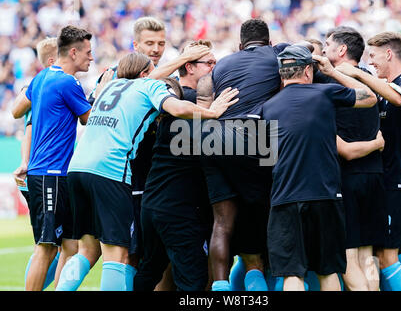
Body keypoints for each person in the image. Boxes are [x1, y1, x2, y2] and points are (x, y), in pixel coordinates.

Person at [56, 52, 238, 291]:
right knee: (117, 254)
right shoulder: (149, 86)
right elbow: (177, 106)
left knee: (87, 249)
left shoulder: (112, 86)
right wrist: (212, 112)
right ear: (145, 74)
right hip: (110, 170)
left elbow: (148, 77)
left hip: (77, 168)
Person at [86, 17, 213, 282]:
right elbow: (95, 110)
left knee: (156, 259)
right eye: (149, 43)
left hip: (153, 181)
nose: (156, 49)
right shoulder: (118, 73)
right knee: (128, 253)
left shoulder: (165, 81)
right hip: (126, 176)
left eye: (161, 43)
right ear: (135, 44)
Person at [262, 44, 377, 291]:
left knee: (292, 274)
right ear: (307, 71)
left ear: (282, 74)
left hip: (285, 196)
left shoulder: (268, 107)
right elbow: (370, 97)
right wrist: (334, 73)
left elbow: (266, 158)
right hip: (325, 195)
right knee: (327, 272)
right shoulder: (325, 93)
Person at [335, 31, 401, 291]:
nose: (370, 62)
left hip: (396, 182)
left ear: (389, 53)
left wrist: (358, 74)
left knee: (386, 258)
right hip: (395, 178)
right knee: (399, 254)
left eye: (373, 56)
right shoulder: (381, 90)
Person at [200, 18, 289, 291]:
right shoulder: (277, 55)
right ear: (269, 42)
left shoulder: (223, 63)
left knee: (221, 222)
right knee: (271, 212)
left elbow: (205, 93)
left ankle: (220, 289)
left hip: (212, 137)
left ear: (240, 45)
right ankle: (272, 281)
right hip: (253, 136)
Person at [12, 25, 93, 291]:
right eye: (88, 53)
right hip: (50, 174)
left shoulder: (41, 77)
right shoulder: (68, 82)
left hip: (54, 173)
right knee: (46, 248)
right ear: (73, 52)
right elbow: (88, 119)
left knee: (70, 245)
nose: (91, 58)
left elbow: (17, 111)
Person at [134, 40, 216, 291]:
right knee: (193, 279)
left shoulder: (167, 101)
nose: (216, 67)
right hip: (177, 208)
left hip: (153, 203)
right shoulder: (189, 104)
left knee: (150, 270)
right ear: (189, 67)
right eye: (209, 63)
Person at [320, 26, 387, 291]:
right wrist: (376, 144)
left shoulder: (329, 82)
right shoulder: (369, 78)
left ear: (342, 50)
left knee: (347, 259)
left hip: (347, 178)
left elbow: (344, 149)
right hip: (374, 176)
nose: (323, 50)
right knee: (368, 255)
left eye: (327, 44)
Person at [11, 37, 61, 290]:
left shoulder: (38, 88)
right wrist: (25, 161)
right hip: (42, 171)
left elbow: (17, 113)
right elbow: (28, 129)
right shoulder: (45, 89)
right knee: (47, 246)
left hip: (41, 170)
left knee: (60, 245)